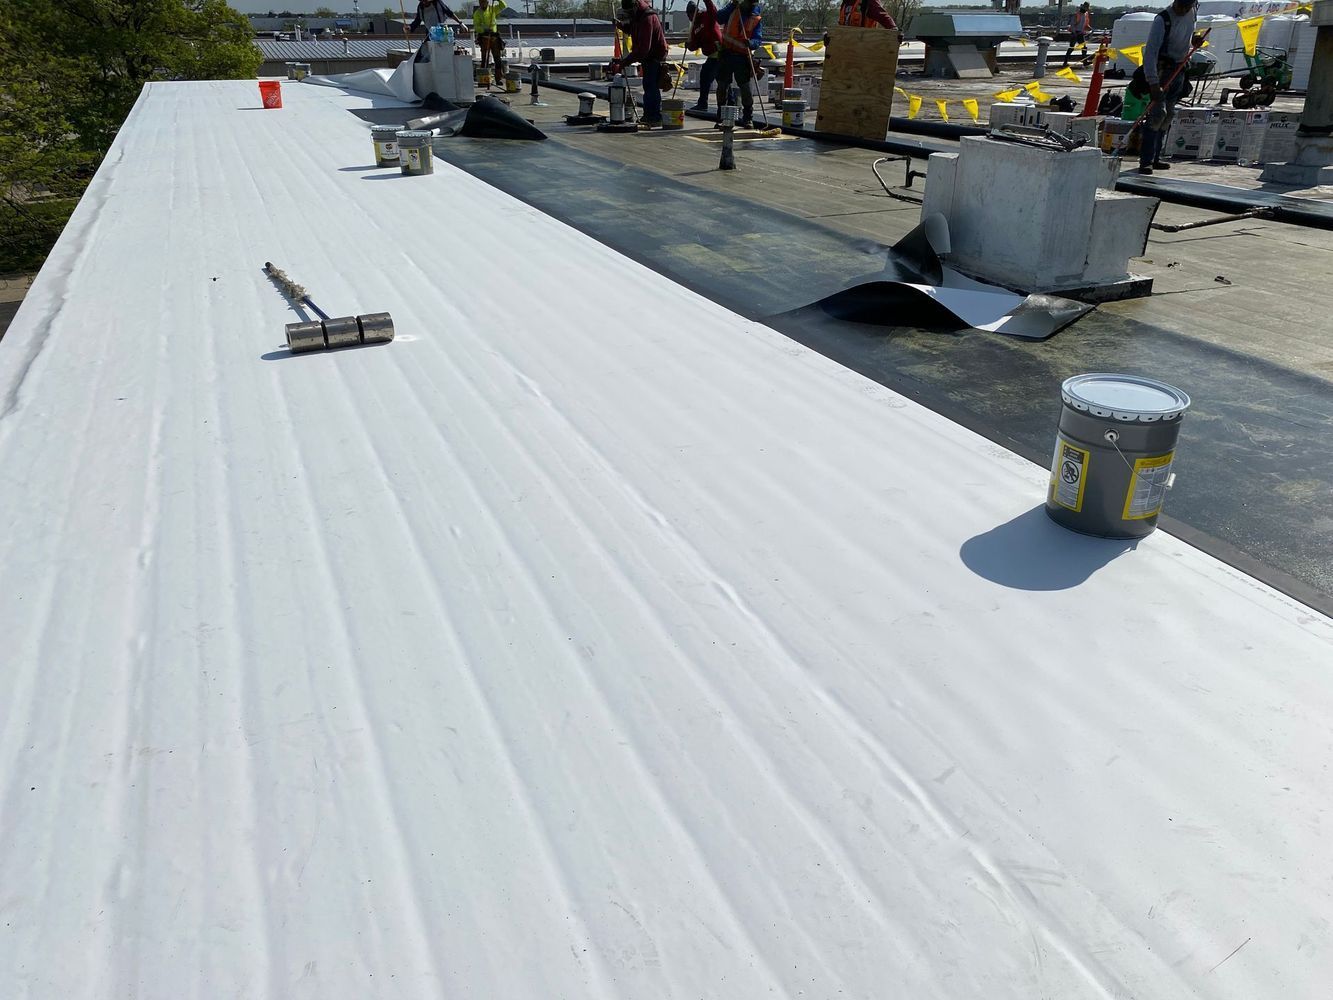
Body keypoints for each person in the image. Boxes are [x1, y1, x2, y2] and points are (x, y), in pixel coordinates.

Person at [1138, 0, 1202, 174]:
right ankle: (1146, 161)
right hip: (1162, 71)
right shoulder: (1162, 20)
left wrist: (1194, 40)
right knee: (1158, 114)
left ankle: (1156, 157)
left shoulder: (1192, 12)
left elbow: (1189, 33)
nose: (1184, 10)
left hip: (1179, 70)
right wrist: (1153, 83)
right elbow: (1150, 53)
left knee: (1169, 114)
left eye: (1187, 7)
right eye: (1181, 6)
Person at [617, 0, 669, 126]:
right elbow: (633, 29)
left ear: (635, 6)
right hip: (649, 55)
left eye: (629, 12)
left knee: (651, 86)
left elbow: (643, 49)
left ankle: (654, 116)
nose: (629, 15)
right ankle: (650, 115)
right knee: (649, 85)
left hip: (654, 56)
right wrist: (621, 26)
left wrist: (626, 61)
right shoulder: (638, 16)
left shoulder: (647, 18)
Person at [715, 0, 762, 129]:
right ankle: (722, 117)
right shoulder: (733, 9)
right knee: (722, 87)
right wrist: (732, 5)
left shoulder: (755, 18)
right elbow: (719, 18)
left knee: (745, 88)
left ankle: (748, 118)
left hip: (742, 57)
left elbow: (758, 39)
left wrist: (751, 43)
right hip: (726, 54)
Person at [685, 0, 722, 112]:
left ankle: (703, 104)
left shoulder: (707, 16)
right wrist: (689, 45)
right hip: (711, 55)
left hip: (719, 53)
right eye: (688, 14)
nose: (689, 17)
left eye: (691, 13)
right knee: (720, 80)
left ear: (696, 11)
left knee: (708, 78)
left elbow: (712, 9)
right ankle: (729, 103)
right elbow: (694, 45)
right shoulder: (694, 27)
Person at [472, 0, 508, 84]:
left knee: (497, 58)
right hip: (484, 37)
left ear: (487, 2)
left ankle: (498, 78)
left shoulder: (493, 9)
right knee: (485, 59)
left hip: (494, 37)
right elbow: (476, 26)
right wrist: (484, 30)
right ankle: (484, 78)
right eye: (481, 2)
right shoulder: (477, 13)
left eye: (484, 2)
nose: (482, 4)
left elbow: (503, 5)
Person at [1061, 2, 1092, 67]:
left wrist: (1090, 28)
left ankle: (1084, 62)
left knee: (1084, 48)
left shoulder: (1086, 14)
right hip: (1075, 33)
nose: (1086, 9)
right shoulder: (1077, 14)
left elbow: (1086, 24)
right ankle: (1065, 62)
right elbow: (1072, 25)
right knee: (1071, 48)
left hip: (1080, 33)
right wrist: (1074, 33)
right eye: (1086, 8)